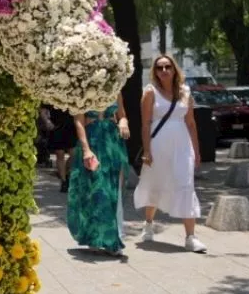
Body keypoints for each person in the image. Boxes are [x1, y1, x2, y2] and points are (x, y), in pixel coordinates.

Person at [133, 55, 207, 253]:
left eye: (167, 67)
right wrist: (147, 150)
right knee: (155, 184)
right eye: (159, 68)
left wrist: (197, 151)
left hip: (182, 146)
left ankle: (190, 237)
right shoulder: (150, 92)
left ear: (174, 69)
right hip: (158, 145)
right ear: (155, 72)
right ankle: (148, 223)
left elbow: (191, 123)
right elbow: (146, 123)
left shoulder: (185, 92)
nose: (164, 70)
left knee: (186, 185)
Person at [67, 103, 131, 256]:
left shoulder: (115, 86)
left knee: (113, 190)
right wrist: (86, 150)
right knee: (94, 189)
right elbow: (79, 121)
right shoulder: (81, 85)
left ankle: (113, 239)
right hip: (92, 141)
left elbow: (122, 115)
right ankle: (94, 237)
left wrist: (123, 122)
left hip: (112, 142)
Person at [43, 104, 76, 192]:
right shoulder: (52, 92)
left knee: (75, 154)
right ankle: (64, 181)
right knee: (59, 154)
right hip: (56, 126)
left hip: (72, 126)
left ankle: (67, 173)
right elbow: (43, 109)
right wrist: (47, 121)